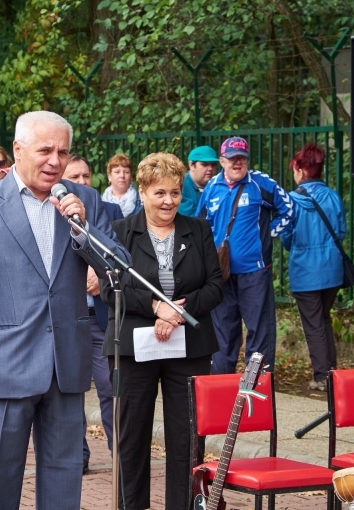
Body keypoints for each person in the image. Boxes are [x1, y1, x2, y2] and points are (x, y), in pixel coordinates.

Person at [0, 110, 130, 509]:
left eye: (63, 152)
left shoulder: (84, 202)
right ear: (18, 149)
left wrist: (83, 230)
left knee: (64, 479)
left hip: (67, 363)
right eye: (45, 150)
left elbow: (118, 269)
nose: (55, 161)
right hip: (6, 363)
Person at [100, 152, 223, 509]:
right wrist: (156, 308)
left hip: (190, 346)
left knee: (187, 439)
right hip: (134, 348)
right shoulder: (120, 231)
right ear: (142, 192)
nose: (168, 201)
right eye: (159, 193)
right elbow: (111, 289)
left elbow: (215, 285)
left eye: (174, 193)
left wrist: (179, 314)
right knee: (131, 437)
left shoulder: (198, 229)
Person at [197, 136, 293, 374]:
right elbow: (201, 224)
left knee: (259, 332)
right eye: (232, 159)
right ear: (222, 161)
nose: (237, 163)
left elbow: (289, 209)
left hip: (255, 272)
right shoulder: (212, 188)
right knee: (223, 333)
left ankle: (257, 385)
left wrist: (268, 234)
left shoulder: (262, 183)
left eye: (242, 158)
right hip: (221, 274)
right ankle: (221, 387)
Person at [62, 154, 122, 472]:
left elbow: (118, 257)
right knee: (71, 392)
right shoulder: (52, 210)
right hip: (67, 322)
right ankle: (78, 455)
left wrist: (102, 276)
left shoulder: (105, 210)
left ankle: (120, 454)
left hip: (98, 317)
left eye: (87, 176)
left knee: (110, 388)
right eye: (75, 177)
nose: (83, 183)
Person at [280, 143, 345, 392]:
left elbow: (286, 235)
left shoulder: (291, 200)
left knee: (314, 325)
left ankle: (322, 377)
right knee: (324, 320)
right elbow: (340, 231)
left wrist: (297, 246)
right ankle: (332, 373)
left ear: (299, 169)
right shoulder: (333, 196)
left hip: (305, 271)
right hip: (333, 270)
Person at [179, 145, 219, 217]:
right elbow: (192, 218)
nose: (210, 168)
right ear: (191, 165)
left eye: (213, 165)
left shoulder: (219, 186)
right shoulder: (179, 186)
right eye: (204, 164)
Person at [102, 153, 142, 218]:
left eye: (126, 172)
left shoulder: (141, 201)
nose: (122, 176)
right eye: (117, 172)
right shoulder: (99, 201)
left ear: (131, 177)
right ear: (109, 176)